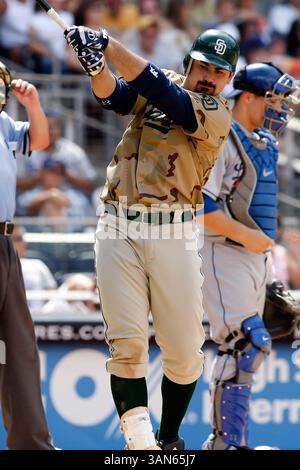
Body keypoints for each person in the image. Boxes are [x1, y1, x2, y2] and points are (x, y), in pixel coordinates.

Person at [64, 25, 239, 450]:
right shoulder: (169, 81)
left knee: (183, 353)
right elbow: (117, 97)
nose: (208, 76)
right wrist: (96, 66)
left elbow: (166, 96)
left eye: (218, 72)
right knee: (126, 344)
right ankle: (139, 444)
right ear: (190, 63)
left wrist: (105, 42)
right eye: (203, 66)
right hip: (118, 225)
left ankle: (171, 439)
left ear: (228, 79)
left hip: (174, 232)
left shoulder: (216, 111)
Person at [199, 62, 300, 450]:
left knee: (254, 343)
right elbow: (200, 207)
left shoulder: (265, 143)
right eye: (274, 100)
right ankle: (224, 443)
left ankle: (231, 441)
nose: (280, 110)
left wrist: (269, 269)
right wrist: (247, 238)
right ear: (249, 97)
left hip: (254, 258)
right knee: (244, 343)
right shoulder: (220, 139)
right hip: (223, 250)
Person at [0, 61, 54, 449]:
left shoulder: (3, 123)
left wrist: (32, 104)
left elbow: (40, 140)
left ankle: (31, 444)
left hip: (4, 243)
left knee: (19, 348)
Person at [12, 225, 57, 313]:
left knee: (76, 281)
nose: (22, 243)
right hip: (10, 316)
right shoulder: (3, 266)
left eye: (21, 239)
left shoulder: (37, 264)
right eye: (16, 239)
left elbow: (52, 295)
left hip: (40, 316)